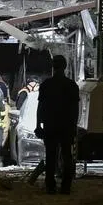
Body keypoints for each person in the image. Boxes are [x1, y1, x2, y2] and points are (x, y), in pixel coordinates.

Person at [37, 55, 80, 195]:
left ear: (53, 66)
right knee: (67, 155)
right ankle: (66, 186)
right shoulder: (72, 85)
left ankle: (50, 186)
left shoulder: (46, 85)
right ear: (65, 66)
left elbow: (41, 106)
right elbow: (75, 108)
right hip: (66, 125)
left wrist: (38, 125)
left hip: (50, 125)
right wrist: (74, 126)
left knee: (50, 155)